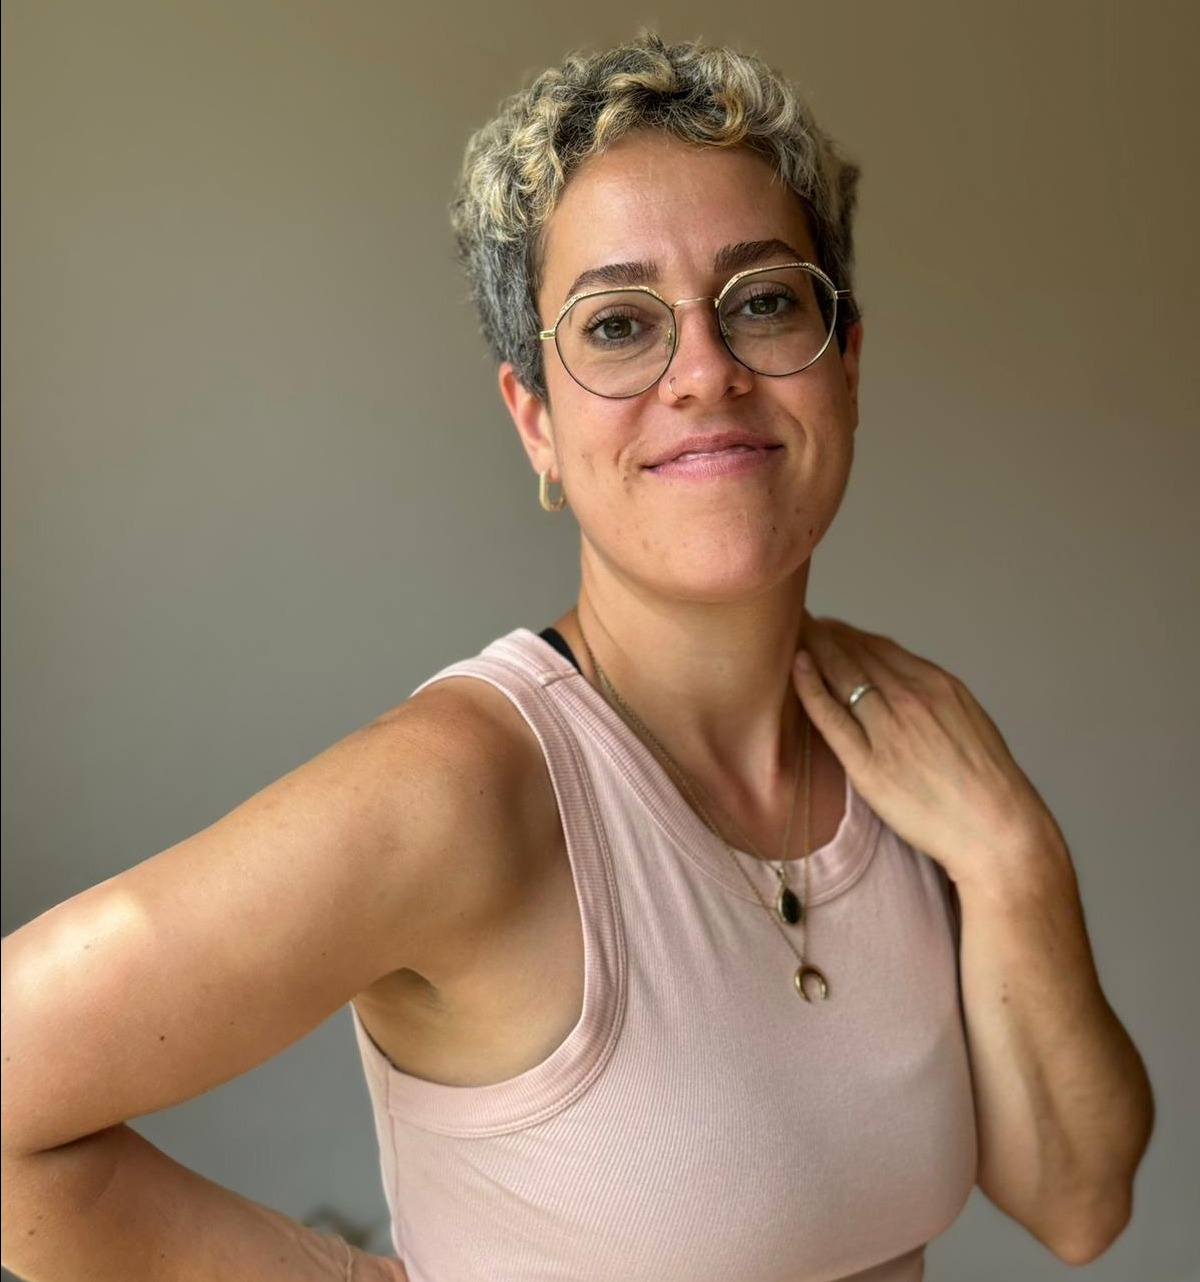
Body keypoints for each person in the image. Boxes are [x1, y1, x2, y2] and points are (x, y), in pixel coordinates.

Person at [1, 28, 1153, 1282]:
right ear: (536, 422)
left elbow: (1077, 1201)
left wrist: (1015, 860)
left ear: (847, 366)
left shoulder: (913, 742)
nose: (705, 372)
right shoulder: (462, 790)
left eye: (764, 301)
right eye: (617, 324)